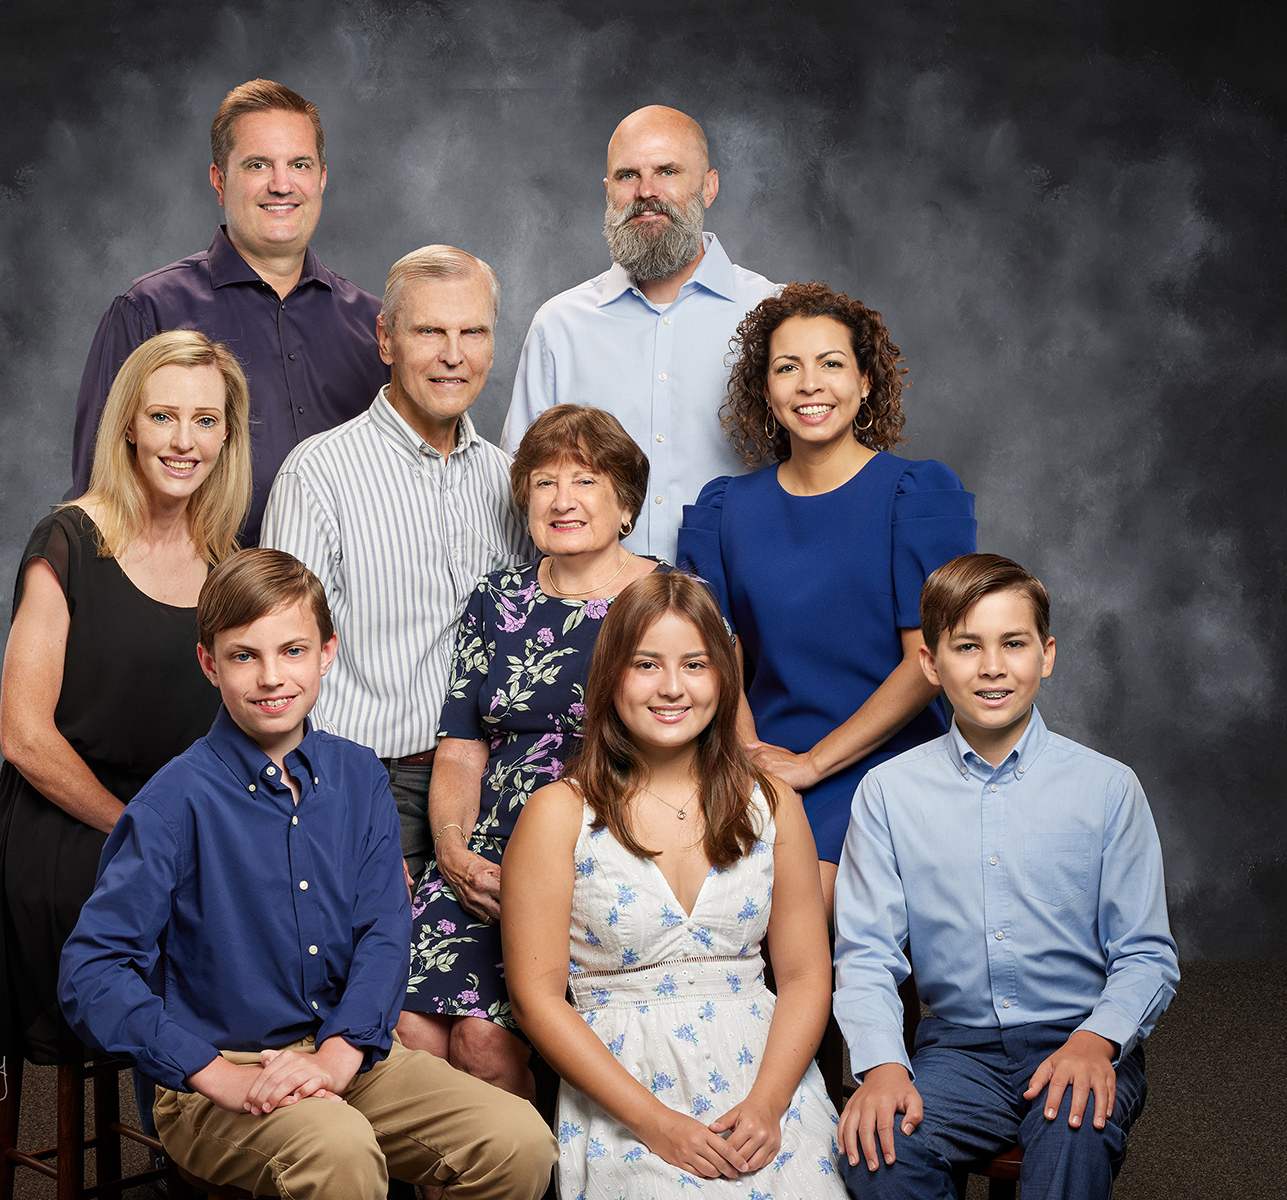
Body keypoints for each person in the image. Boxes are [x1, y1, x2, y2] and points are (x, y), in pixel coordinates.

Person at [56, 550, 556, 1200]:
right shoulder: (172, 804)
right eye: (244, 656)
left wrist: (340, 1054)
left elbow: (384, 931)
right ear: (210, 663)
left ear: (326, 652)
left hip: (347, 1051)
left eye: (292, 651)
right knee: (337, 1149)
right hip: (223, 1074)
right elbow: (90, 972)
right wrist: (211, 1072)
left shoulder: (359, 777)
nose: (271, 677)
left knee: (518, 1140)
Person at [833, 554, 1179, 1199]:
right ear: (932, 665)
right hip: (958, 1052)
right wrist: (881, 1067)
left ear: (1046, 655)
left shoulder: (1107, 787)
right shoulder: (888, 792)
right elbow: (866, 955)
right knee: (876, 1151)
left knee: (1072, 1130)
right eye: (967, 646)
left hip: (1079, 1034)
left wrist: (1097, 1042)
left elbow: (1146, 955)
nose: (992, 667)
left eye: (1013, 644)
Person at [502, 573, 848, 1197]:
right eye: (646, 664)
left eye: (694, 664)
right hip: (626, 1090)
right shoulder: (558, 813)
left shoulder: (771, 803)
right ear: (610, 677)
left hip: (764, 1076)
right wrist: (656, 1124)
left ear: (723, 675)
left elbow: (803, 975)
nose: (671, 687)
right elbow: (537, 1000)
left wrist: (768, 1105)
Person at [0, 330, 251, 1077]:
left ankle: (235, 1141)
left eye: (205, 420)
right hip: (70, 827)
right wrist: (136, 828)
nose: (184, 441)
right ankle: (203, 1132)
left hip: (172, 829)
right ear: (128, 423)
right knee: (210, 938)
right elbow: (24, 738)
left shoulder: (225, 565)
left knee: (277, 919)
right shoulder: (67, 539)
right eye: (163, 417)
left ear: (227, 434)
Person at [679, 281, 977, 916]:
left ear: (866, 381)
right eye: (788, 368)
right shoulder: (725, 510)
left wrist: (812, 766)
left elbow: (929, 664)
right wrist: (751, 759)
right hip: (757, 752)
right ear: (766, 391)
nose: (809, 384)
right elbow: (713, 654)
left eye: (831, 364)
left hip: (888, 755)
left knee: (802, 900)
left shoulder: (914, 496)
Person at [397, 405, 663, 1099]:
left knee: (482, 1039)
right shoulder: (496, 600)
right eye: (543, 482)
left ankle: (526, 1170)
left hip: (604, 856)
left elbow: (700, 757)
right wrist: (450, 847)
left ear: (626, 504)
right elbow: (460, 748)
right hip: (482, 854)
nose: (562, 499)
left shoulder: (667, 601)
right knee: (411, 1030)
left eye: (585, 480)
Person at [263, 245, 530, 885]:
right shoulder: (318, 475)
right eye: (429, 331)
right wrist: (335, 813)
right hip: (369, 785)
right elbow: (280, 656)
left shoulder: (509, 480)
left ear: (493, 346)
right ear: (386, 339)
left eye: (472, 333)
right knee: (376, 980)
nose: (453, 354)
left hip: (493, 782)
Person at [69, 78, 389, 540]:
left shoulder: (373, 326)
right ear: (219, 181)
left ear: (321, 178)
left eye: (298, 164)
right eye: (258, 165)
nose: (282, 185)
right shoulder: (148, 312)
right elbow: (99, 493)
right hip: (196, 602)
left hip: (345, 605)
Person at [502, 104, 778, 564]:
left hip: (742, 609)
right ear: (609, 191)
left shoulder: (773, 315)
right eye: (628, 175)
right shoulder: (560, 326)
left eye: (667, 171)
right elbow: (523, 490)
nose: (646, 192)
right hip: (594, 615)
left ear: (709, 186)